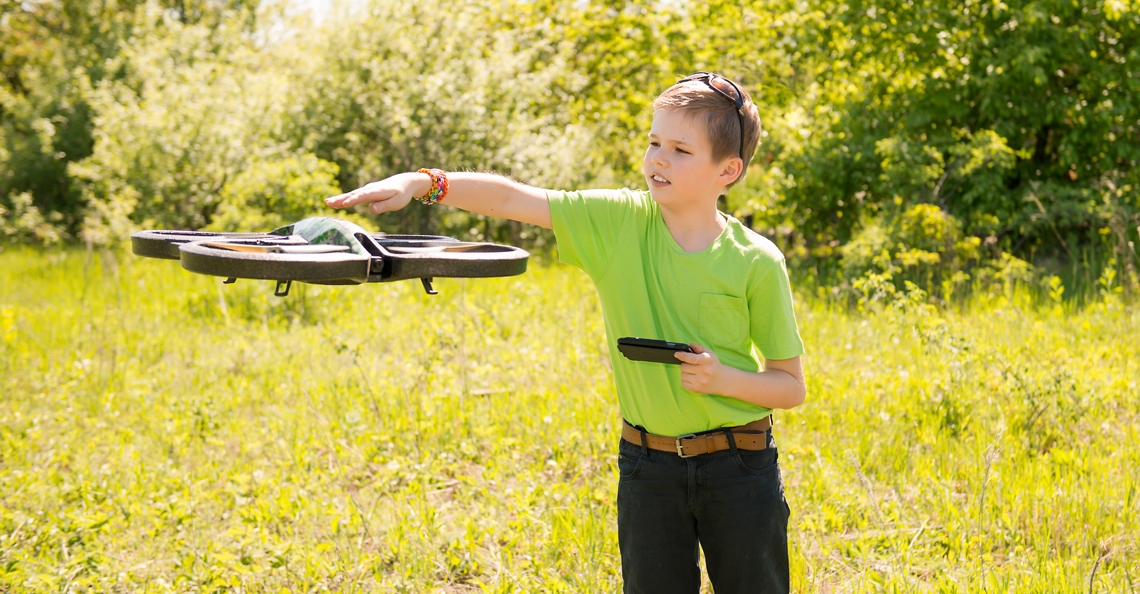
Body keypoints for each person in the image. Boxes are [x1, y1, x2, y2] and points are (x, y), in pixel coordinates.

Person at [324, 72, 807, 594]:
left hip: (741, 466)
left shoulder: (756, 261)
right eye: (654, 142)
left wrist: (721, 378)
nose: (658, 159)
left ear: (727, 170)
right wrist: (422, 183)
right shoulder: (619, 222)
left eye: (681, 149)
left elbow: (789, 387)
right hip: (648, 466)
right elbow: (513, 200)